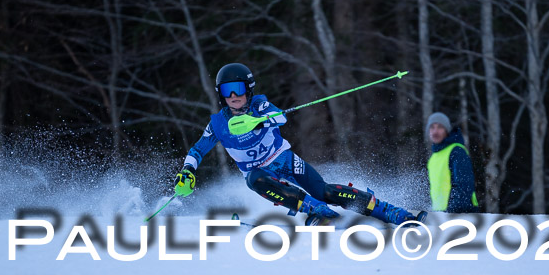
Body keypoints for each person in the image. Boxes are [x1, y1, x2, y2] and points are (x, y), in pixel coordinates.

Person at [173, 63, 425, 225]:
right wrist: (187, 170)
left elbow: (280, 116)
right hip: (260, 173)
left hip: (285, 161)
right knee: (254, 180)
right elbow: (197, 150)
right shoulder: (218, 124)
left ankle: (391, 212)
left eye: (237, 89)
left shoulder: (259, 105)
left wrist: (259, 121)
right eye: (227, 91)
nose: (233, 96)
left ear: (248, 89)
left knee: (324, 191)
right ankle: (315, 210)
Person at [425, 112, 479, 213]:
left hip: (461, 214)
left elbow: (464, 184)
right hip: (441, 215)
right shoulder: (433, 157)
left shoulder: (457, 151)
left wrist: (454, 211)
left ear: (447, 130)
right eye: (432, 127)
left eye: (440, 127)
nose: (435, 131)